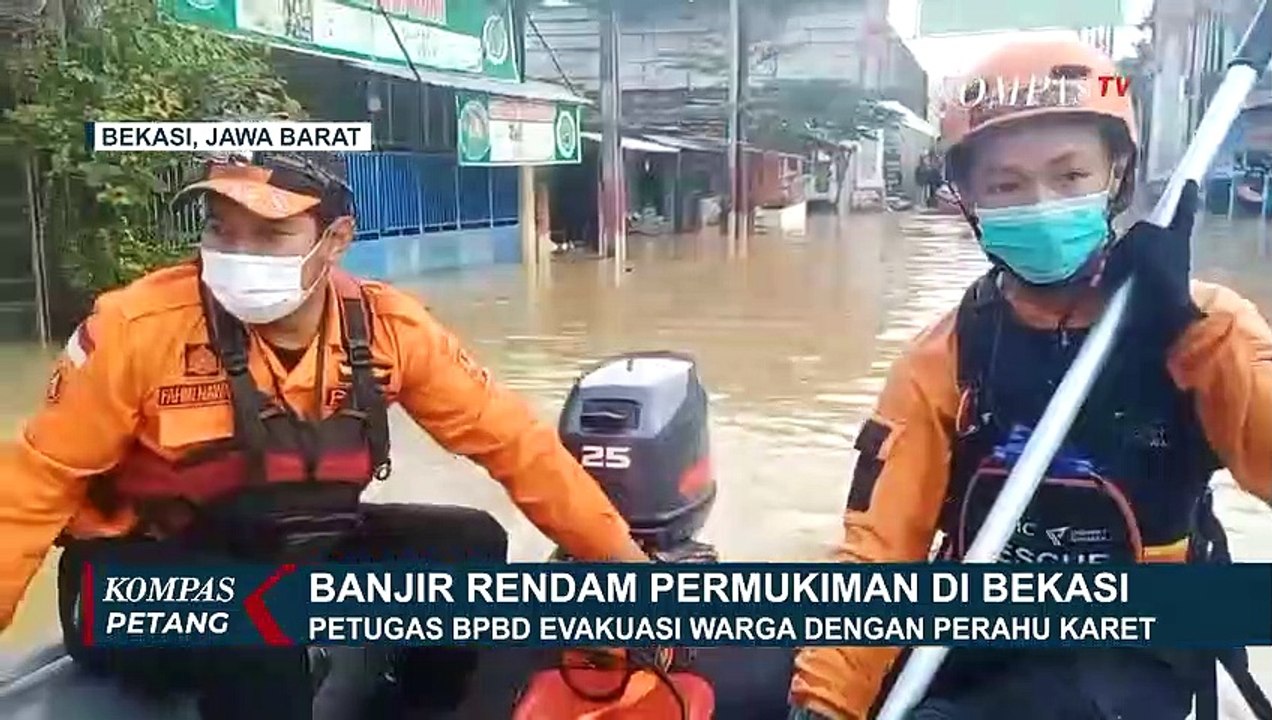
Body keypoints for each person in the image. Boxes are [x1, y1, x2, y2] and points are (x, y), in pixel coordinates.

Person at [0, 151, 651, 719]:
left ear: (335, 239)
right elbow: (30, 490)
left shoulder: (390, 330)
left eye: (270, 232)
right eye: (221, 231)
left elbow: (517, 446)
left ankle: (418, 710)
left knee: (468, 544)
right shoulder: (136, 329)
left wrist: (624, 567)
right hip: (130, 579)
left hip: (288, 550)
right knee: (260, 628)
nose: (236, 254)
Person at [786, 39, 1272, 720]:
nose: (1041, 204)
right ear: (967, 201)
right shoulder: (948, 353)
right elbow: (879, 549)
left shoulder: (1208, 326)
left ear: (1118, 174)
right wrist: (823, 704)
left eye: (1070, 176)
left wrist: (1183, 334)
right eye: (1007, 185)